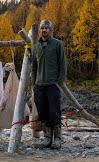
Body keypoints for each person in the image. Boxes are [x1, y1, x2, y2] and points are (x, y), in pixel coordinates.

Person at [31, 19, 67, 149]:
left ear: (50, 30)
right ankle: (47, 138)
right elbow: (34, 67)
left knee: (55, 112)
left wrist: (59, 82)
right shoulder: (36, 47)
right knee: (43, 112)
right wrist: (34, 84)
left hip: (53, 85)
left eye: (46, 28)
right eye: (42, 28)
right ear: (39, 30)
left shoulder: (57, 45)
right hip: (39, 86)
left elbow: (63, 64)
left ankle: (57, 138)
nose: (44, 30)